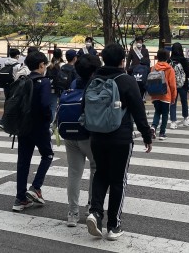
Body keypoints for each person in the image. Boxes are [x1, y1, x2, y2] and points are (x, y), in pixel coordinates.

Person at [85, 43, 153, 241]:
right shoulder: (127, 80)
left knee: (100, 173)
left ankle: (95, 212)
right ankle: (113, 226)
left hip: (97, 136)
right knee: (118, 180)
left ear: (104, 59)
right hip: (120, 137)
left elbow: (84, 106)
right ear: (123, 61)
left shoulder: (94, 79)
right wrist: (147, 136)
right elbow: (139, 111)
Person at [12, 51, 55, 212]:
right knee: (47, 155)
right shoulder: (44, 82)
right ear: (41, 65)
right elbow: (45, 105)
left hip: (23, 126)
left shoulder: (24, 80)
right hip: (39, 126)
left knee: (23, 162)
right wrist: (49, 119)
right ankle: (36, 187)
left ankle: (20, 198)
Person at [64, 53, 102, 227]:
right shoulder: (96, 85)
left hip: (70, 133)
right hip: (88, 134)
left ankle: (72, 213)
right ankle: (91, 206)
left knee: (74, 173)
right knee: (95, 168)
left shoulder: (73, 84)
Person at [149, 48, 177, 140]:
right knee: (165, 114)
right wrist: (173, 97)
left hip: (155, 94)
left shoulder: (153, 68)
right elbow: (172, 85)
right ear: (167, 57)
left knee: (157, 112)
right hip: (165, 95)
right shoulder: (169, 69)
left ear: (157, 57)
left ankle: (153, 127)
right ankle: (162, 133)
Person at [0, 48, 28, 130]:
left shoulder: (6, 63)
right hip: (13, 86)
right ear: (17, 56)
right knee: (12, 103)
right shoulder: (17, 66)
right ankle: (3, 122)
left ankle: (4, 121)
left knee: (7, 102)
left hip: (5, 86)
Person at [169, 42, 189, 128]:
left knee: (173, 102)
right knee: (184, 101)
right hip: (183, 85)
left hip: (172, 85)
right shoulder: (184, 61)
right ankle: (185, 119)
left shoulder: (169, 60)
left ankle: (173, 122)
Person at [46, 48, 66, 118]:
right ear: (61, 55)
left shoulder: (49, 65)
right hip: (61, 88)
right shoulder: (63, 65)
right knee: (61, 105)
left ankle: (51, 121)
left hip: (52, 87)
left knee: (53, 106)